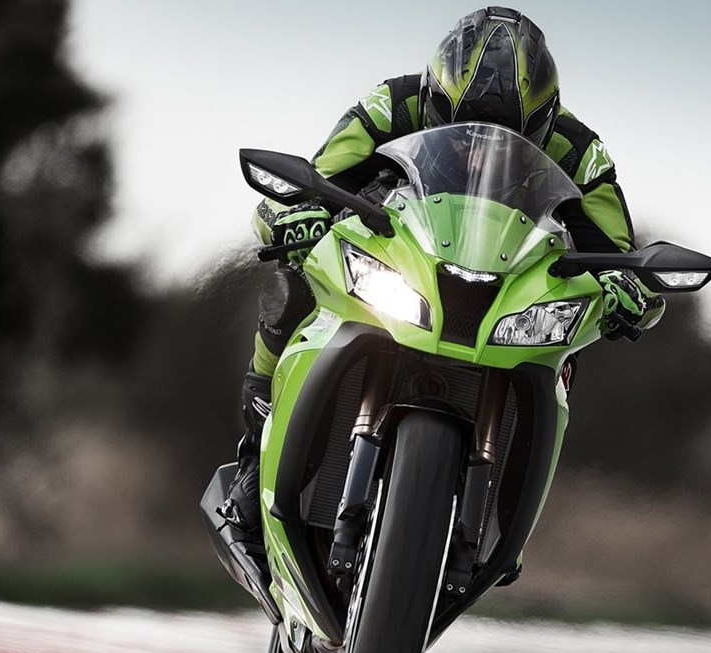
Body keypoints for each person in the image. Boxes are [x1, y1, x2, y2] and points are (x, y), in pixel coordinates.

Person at [216, 6, 664, 547]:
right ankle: (256, 446)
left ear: (544, 120)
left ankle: (505, 526)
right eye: (458, 131)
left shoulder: (579, 151)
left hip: (511, 286)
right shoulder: (392, 104)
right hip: (398, 254)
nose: (474, 154)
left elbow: (617, 255)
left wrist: (627, 288)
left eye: (512, 136)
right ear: (433, 98)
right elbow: (315, 181)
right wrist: (297, 214)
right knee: (295, 284)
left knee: (565, 352)